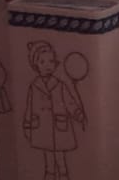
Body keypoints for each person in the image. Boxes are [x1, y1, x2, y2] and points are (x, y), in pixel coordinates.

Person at [22, 42, 86, 180]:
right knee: (49, 162)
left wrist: (78, 114)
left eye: (51, 61)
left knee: (61, 160)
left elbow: (69, 102)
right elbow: (29, 107)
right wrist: (27, 124)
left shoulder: (60, 85)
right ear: (36, 64)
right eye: (42, 62)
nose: (47, 65)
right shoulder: (34, 86)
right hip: (42, 128)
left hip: (59, 128)